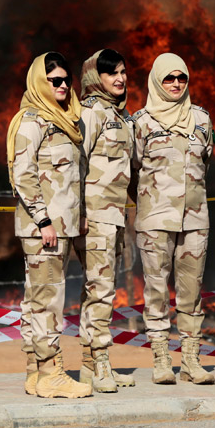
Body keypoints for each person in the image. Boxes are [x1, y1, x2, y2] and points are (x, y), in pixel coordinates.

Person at [7, 52, 91, 399]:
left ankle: (34, 372)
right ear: (40, 83)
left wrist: (78, 214)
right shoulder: (33, 121)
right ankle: (51, 373)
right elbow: (23, 175)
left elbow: (72, 178)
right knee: (48, 301)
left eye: (66, 80)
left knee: (37, 299)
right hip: (43, 228)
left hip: (60, 225)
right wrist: (43, 220)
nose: (63, 85)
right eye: (55, 80)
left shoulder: (66, 119)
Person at [130, 53, 215, 385]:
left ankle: (191, 360)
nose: (176, 83)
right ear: (156, 81)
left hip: (195, 221)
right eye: (169, 78)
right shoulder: (141, 122)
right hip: (155, 221)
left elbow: (206, 163)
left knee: (191, 292)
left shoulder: (201, 119)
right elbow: (132, 170)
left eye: (182, 78)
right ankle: (161, 358)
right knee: (156, 290)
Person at [74, 48, 136, 392]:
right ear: (94, 77)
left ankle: (90, 366)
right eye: (112, 73)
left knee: (99, 291)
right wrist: (81, 214)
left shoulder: (121, 116)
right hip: (95, 218)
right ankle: (99, 364)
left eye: (123, 72)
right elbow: (77, 164)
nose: (120, 78)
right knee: (100, 291)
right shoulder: (91, 113)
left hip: (114, 217)